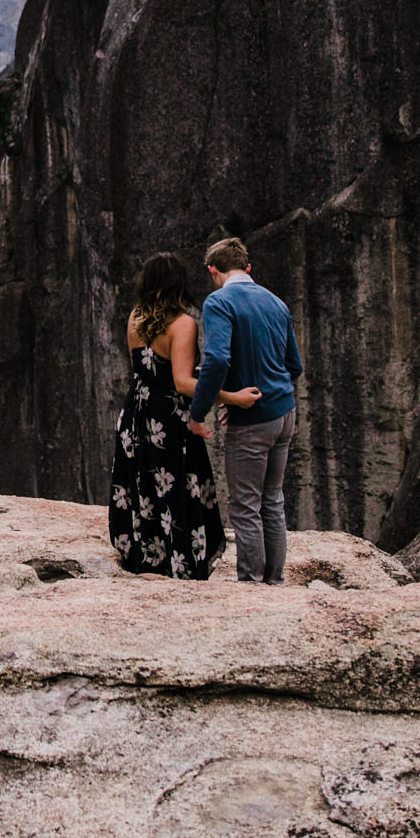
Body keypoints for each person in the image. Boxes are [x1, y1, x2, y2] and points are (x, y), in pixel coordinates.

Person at [109, 252, 261, 579]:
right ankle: (182, 561)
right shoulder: (183, 322)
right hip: (167, 418)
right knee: (179, 484)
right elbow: (181, 381)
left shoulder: (135, 317)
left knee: (144, 484)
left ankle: (146, 558)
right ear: (179, 281)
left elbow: (146, 370)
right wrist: (231, 396)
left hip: (135, 413)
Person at [186, 237, 304, 585]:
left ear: (213, 271)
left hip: (254, 420)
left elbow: (217, 359)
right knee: (273, 500)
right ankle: (275, 581)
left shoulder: (219, 302)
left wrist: (200, 411)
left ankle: (252, 585)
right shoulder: (276, 302)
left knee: (246, 506)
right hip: (284, 411)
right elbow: (293, 365)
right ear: (247, 268)